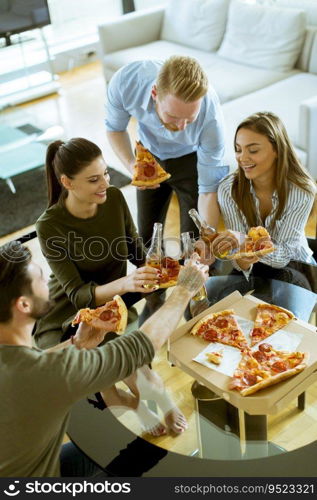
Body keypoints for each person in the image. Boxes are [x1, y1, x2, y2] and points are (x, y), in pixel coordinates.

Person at [0, 241, 207, 477]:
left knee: (116, 445)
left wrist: (76, 344)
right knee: (151, 458)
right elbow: (137, 348)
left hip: (28, 465)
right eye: (40, 278)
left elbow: (30, 374)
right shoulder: (50, 372)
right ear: (23, 304)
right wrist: (184, 289)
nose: (46, 281)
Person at [34, 138, 186, 436]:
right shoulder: (49, 225)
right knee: (129, 376)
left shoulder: (114, 198)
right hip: (67, 315)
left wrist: (166, 265)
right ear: (67, 182)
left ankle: (119, 395)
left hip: (113, 305)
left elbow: (136, 251)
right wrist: (127, 282)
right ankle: (117, 396)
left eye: (105, 173)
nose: (105, 182)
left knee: (142, 380)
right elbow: (77, 295)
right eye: (94, 179)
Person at [205, 111, 317, 321]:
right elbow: (239, 259)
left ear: (277, 150)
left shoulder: (302, 190)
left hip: (294, 266)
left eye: (253, 150)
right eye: (238, 150)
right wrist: (243, 259)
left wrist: (244, 243)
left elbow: (283, 256)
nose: (242, 158)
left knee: (285, 325)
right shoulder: (229, 189)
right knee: (210, 311)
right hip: (252, 268)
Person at [105, 56, 228, 245]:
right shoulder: (126, 82)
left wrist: (207, 240)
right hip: (148, 155)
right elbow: (115, 129)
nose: (181, 127)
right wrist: (132, 166)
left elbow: (209, 191)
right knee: (146, 239)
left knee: (192, 243)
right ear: (155, 93)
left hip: (191, 161)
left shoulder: (211, 120)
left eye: (189, 119)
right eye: (173, 116)